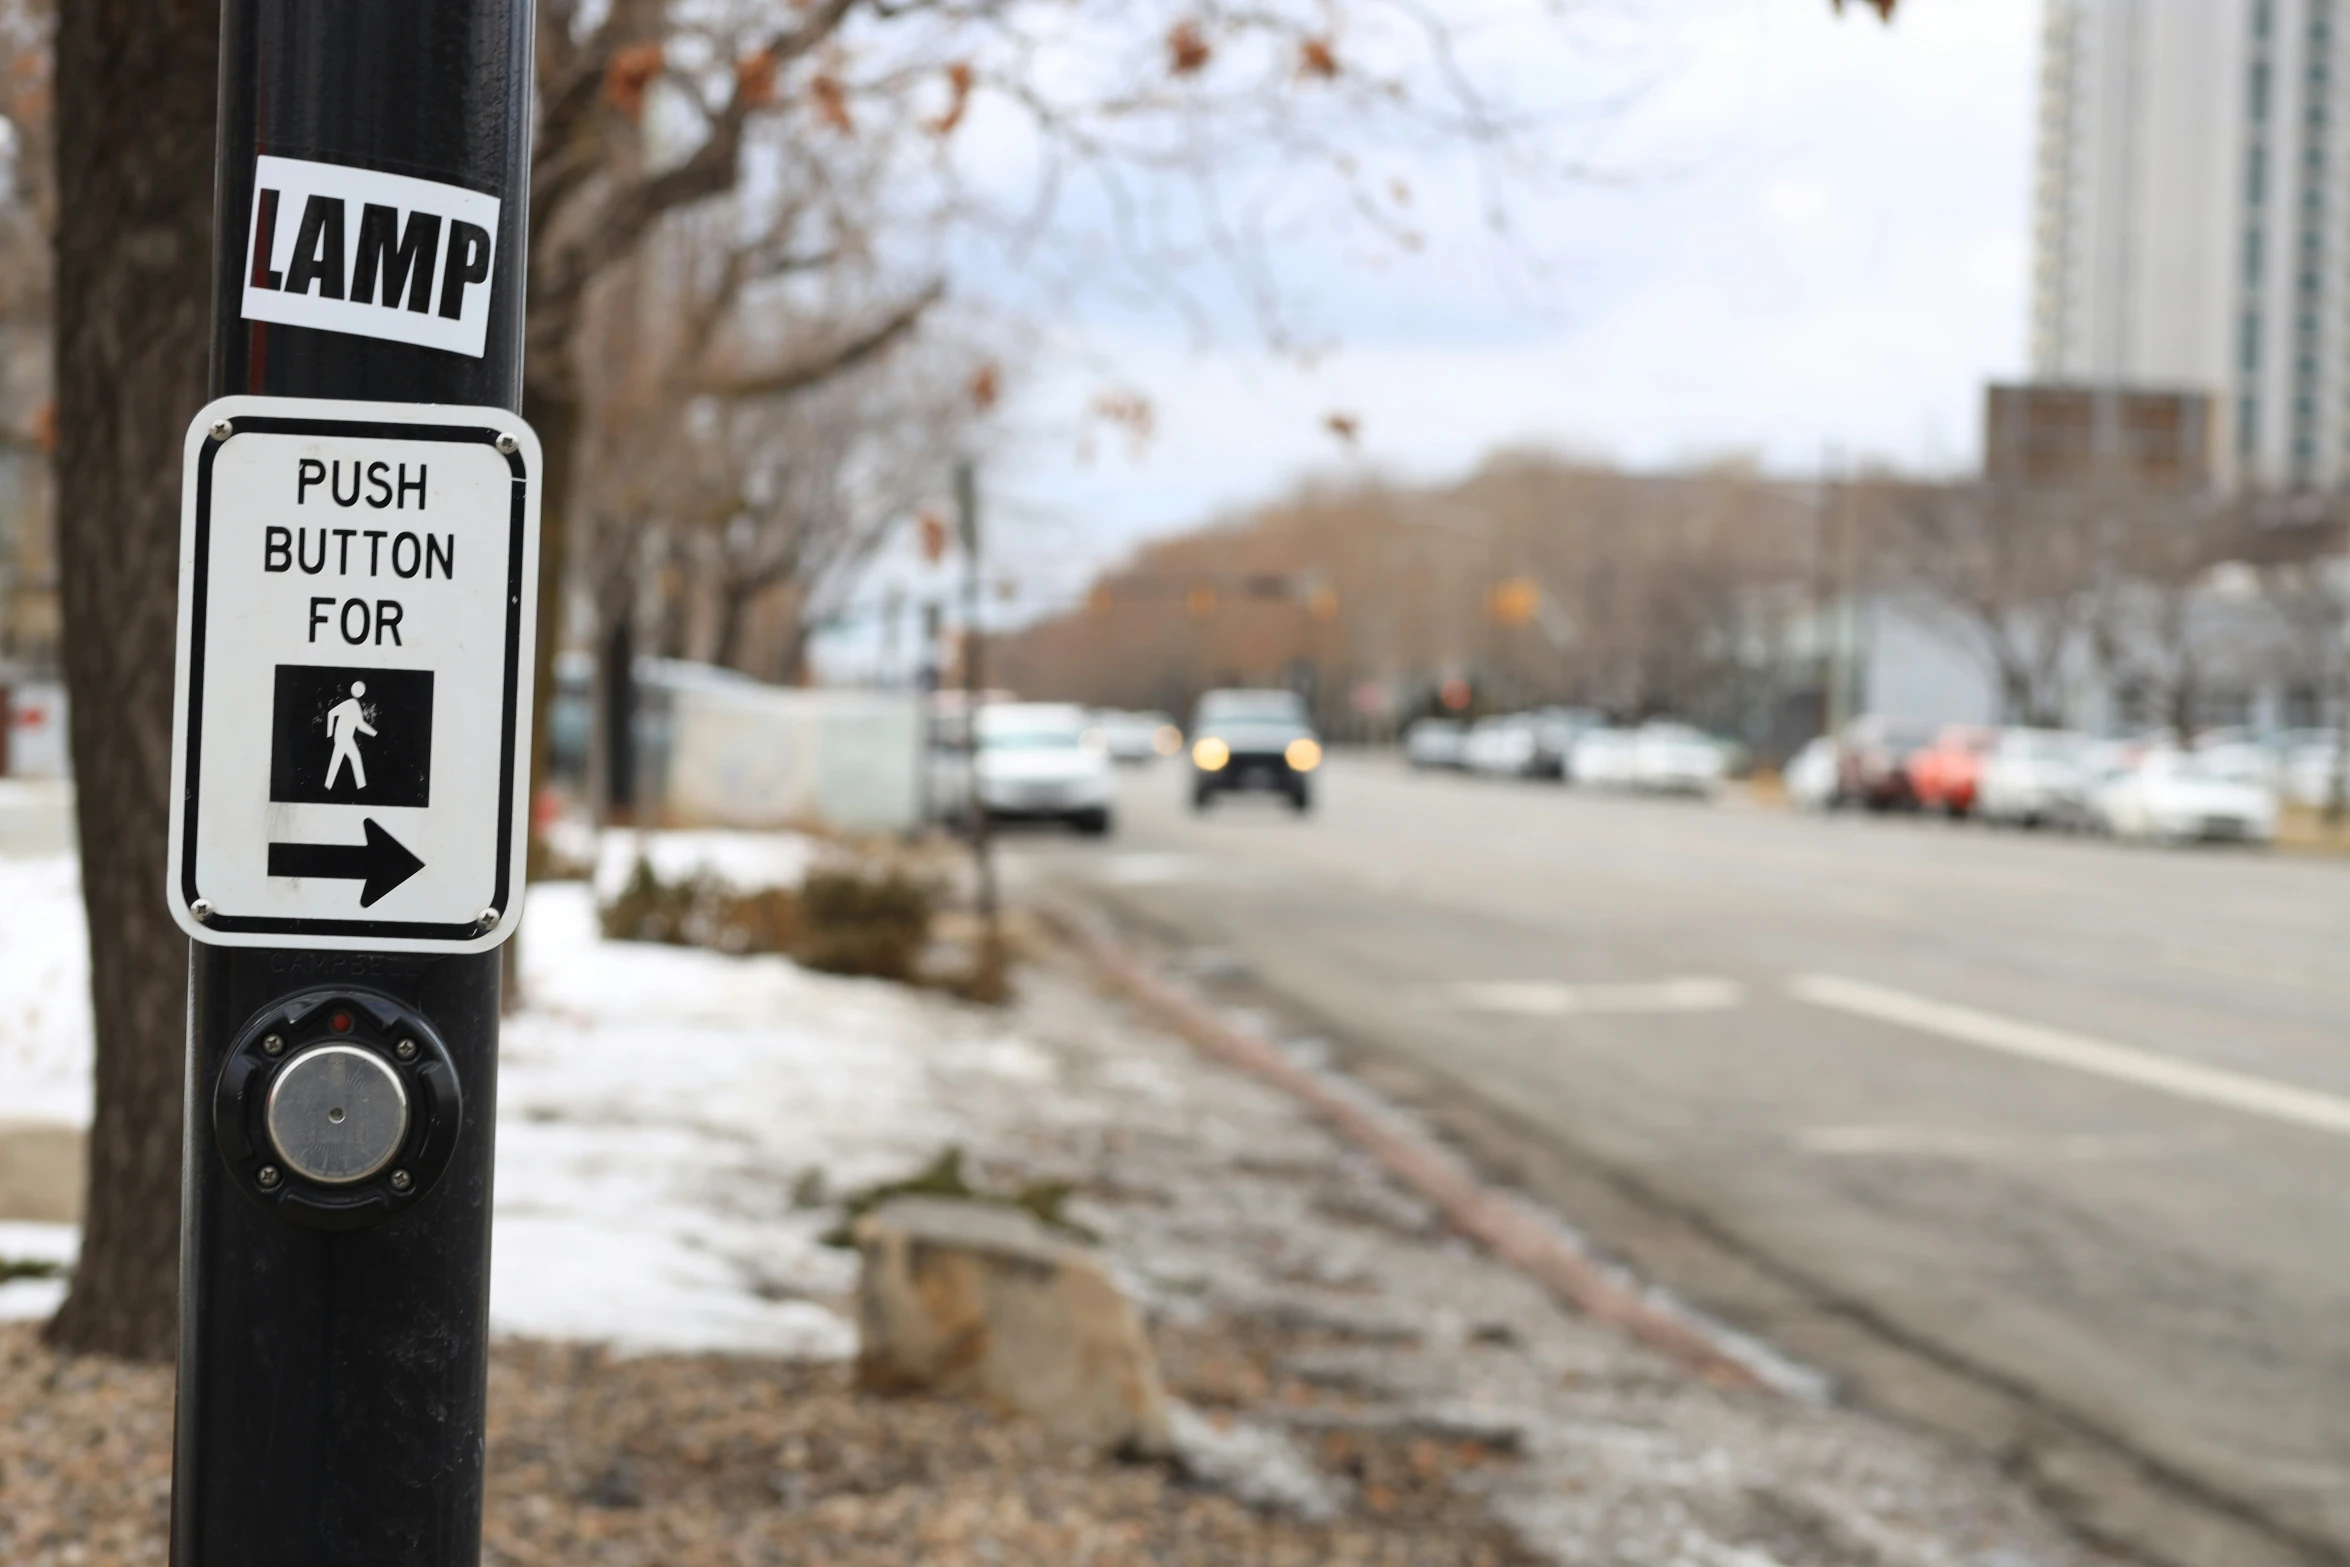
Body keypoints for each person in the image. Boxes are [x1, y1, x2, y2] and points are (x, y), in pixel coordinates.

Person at [324, 680, 376, 791]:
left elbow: (360, 725)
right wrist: (329, 734)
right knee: (345, 759)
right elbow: (331, 713)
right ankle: (361, 788)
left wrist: (375, 734)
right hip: (343, 737)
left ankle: (329, 787)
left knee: (350, 759)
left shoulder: (354, 704)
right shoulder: (351, 704)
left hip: (345, 738)